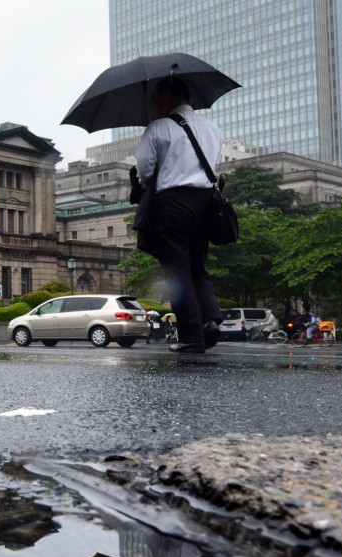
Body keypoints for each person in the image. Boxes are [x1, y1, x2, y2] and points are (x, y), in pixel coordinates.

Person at [135, 77, 224, 354]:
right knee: (198, 266)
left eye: (155, 101)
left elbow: (145, 172)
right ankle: (210, 320)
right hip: (206, 203)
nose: (152, 107)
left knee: (177, 272)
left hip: (172, 203)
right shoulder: (212, 128)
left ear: (168, 96)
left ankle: (191, 337)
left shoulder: (158, 128)